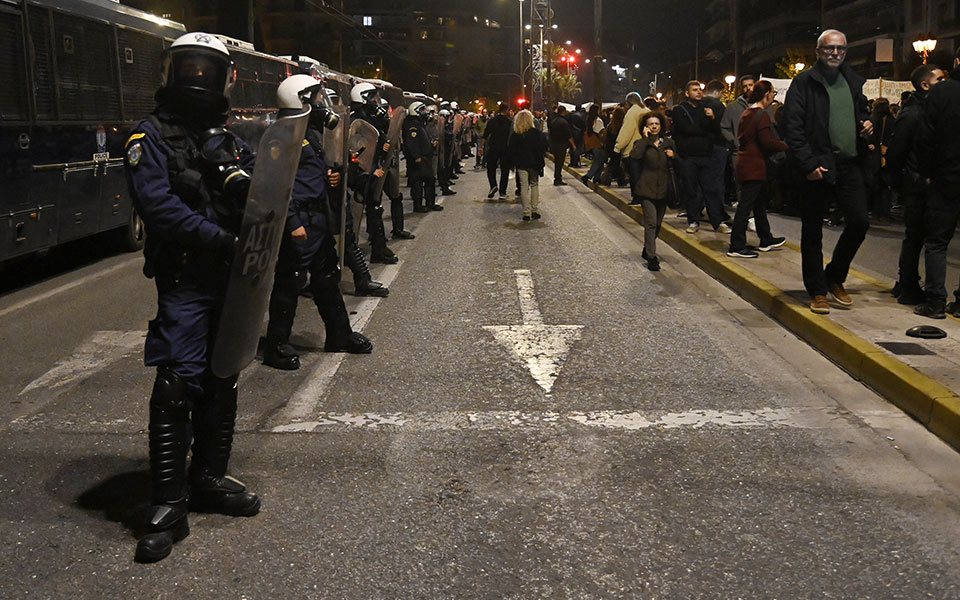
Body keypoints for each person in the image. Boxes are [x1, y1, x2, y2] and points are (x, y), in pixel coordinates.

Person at [123, 32, 260, 563]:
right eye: (191, 68)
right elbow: (158, 209)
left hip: (230, 275)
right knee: (178, 383)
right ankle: (168, 503)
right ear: (171, 71)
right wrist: (221, 237)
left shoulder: (226, 139)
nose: (199, 78)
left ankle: (207, 477)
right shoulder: (150, 136)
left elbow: (261, 190)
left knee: (222, 373)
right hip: (186, 277)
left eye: (209, 69)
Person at [261, 75, 373, 373]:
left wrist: (329, 178)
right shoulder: (283, 134)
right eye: (314, 98)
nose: (321, 105)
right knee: (290, 281)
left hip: (318, 218)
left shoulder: (307, 131)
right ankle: (276, 345)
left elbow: (308, 175)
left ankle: (339, 335)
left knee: (326, 277)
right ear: (298, 100)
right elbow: (275, 183)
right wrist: (292, 222)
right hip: (300, 221)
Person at [784, 29, 873, 315]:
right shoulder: (804, 83)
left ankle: (834, 276)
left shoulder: (852, 81)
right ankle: (817, 290)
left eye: (841, 49)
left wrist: (868, 124)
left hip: (849, 165)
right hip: (818, 165)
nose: (835, 53)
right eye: (830, 49)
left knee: (859, 222)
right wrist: (808, 164)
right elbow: (793, 129)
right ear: (818, 51)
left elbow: (861, 114)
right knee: (812, 231)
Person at [885, 64, 944, 306]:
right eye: (940, 79)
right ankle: (908, 284)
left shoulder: (934, 109)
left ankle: (909, 283)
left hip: (927, 181)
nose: (945, 82)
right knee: (916, 236)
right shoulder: (914, 113)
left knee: (924, 236)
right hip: (916, 182)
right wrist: (896, 180)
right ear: (925, 84)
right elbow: (897, 151)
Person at [915, 47, 960, 318]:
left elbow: (926, 138)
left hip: (946, 177)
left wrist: (927, 172)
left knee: (937, 241)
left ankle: (935, 301)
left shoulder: (942, 92)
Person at [727, 80, 788, 258]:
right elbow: (767, 141)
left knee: (759, 204)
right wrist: (786, 145)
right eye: (773, 93)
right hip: (754, 166)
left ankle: (766, 239)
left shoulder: (748, 112)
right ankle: (736, 246)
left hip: (747, 164)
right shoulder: (761, 115)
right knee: (745, 207)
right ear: (767, 93)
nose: (773, 97)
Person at [673, 81, 731, 233]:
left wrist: (712, 119)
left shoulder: (707, 109)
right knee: (692, 190)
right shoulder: (680, 110)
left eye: (700, 89)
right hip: (689, 157)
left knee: (711, 189)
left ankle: (718, 221)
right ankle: (693, 221)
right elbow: (685, 129)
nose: (698, 92)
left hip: (706, 155)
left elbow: (715, 131)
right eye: (694, 90)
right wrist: (705, 126)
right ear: (687, 93)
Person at [349, 82, 396, 264]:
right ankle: (374, 249)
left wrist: (383, 150)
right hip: (363, 173)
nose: (376, 102)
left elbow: (378, 139)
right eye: (373, 98)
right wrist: (366, 170)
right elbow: (357, 150)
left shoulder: (370, 118)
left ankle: (379, 247)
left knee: (375, 207)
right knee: (366, 209)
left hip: (374, 169)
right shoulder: (357, 121)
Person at [628, 112, 678, 271]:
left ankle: (647, 247)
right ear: (646, 127)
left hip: (664, 189)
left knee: (657, 223)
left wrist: (674, 156)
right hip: (646, 188)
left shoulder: (669, 143)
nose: (654, 126)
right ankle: (652, 256)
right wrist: (645, 139)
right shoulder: (642, 143)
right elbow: (634, 156)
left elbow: (680, 164)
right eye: (651, 124)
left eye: (656, 123)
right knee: (650, 222)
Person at [507, 109, 548, 221]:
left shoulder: (516, 135)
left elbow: (511, 150)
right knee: (534, 184)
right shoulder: (537, 134)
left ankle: (526, 211)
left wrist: (512, 163)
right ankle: (534, 210)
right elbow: (543, 148)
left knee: (523, 186)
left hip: (521, 163)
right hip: (534, 163)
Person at [614, 92, 652, 204]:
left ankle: (637, 197)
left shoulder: (631, 113)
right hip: (647, 147)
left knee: (634, 175)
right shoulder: (647, 111)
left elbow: (627, 131)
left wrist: (618, 146)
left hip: (632, 149)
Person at [403, 101, 439, 214]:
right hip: (419, 159)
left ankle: (430, 202)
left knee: (429, 180)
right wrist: (417, 156)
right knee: (418, 182)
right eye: (422, 110)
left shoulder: (419, 123)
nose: (425, 112)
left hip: (425, 157)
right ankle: (418, 205)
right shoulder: (412, 125)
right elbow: (412, 142)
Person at [483, 103, 513, 199]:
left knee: (491, 167)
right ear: (507, 110)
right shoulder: (509, 122)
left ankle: (493, 185)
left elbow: (486, 134)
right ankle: (502, 192)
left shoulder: (492, 121)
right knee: (505, 170)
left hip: (493, 147)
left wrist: (481, 148)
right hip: (505, 148)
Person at [548, 105, 576, 185]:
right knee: (560, 163)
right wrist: (573, 145)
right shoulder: (564, 122)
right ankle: (558, 179)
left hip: (554, 144)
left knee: (557, 162)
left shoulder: (553, 121)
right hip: (561, 145)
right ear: (563, 111)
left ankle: (557, 177)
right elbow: (568, 135)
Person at [602, 106, 627, 186]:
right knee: (617, 164)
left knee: (612, 164)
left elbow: (605, 137)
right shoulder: (623, 126)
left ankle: (607, 179)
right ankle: (620, 179)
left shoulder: (610, 126)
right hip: (620, 147)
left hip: (610, 147)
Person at [582, 103, 606, 185]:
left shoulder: (589, 120)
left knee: (600, 160)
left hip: (592, 143)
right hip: (598, 143)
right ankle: (588, 176)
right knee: (598, 161)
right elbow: (601, 132)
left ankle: (597, 177)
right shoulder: (598, 120)